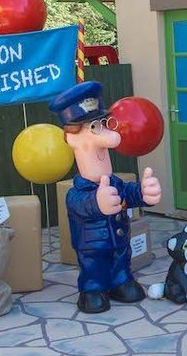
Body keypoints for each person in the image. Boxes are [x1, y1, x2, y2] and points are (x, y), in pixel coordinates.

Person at [50, 81, 163, 314]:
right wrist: (98, 203)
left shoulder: (113, 182)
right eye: (95, 127)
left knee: (121, 261)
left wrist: (143, 192)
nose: (108, 133)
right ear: (72, 138)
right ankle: (93, 289)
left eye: (104, 123)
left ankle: (120, 280)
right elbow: (83, 206)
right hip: (93, 249)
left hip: (120, 243)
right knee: (95, 267)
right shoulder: (76, 193)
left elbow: (126, 193)